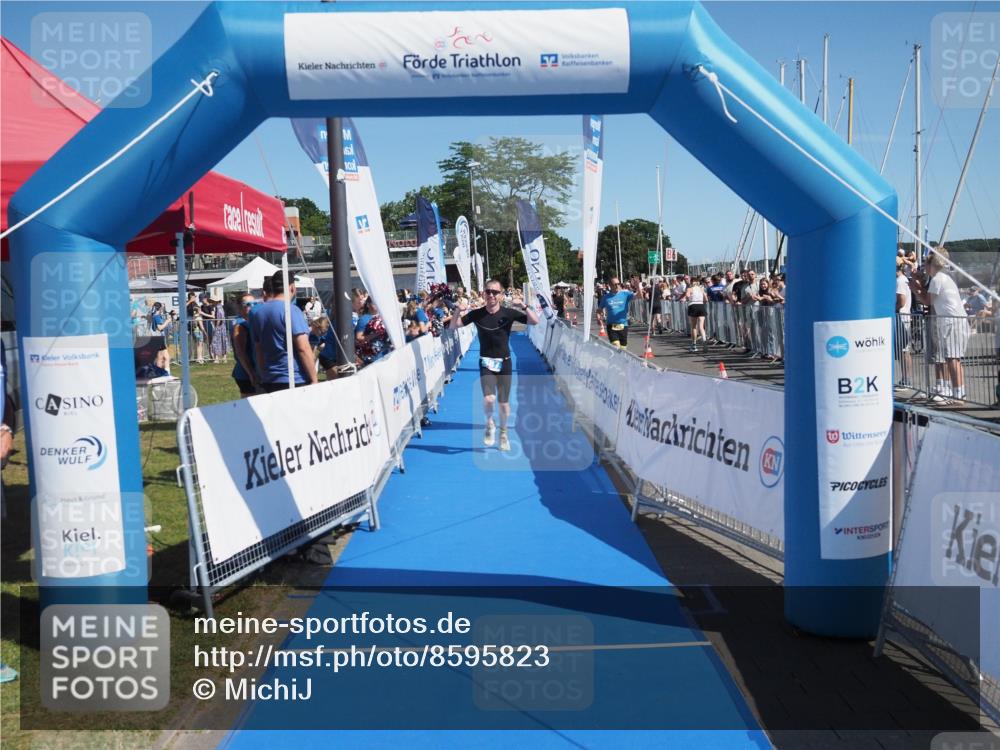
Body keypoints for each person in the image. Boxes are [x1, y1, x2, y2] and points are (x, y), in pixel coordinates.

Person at [450, 279, 538, 451]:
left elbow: (534, 321)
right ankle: (490, 423)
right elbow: (454, 325)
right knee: (489, 399)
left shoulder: (509, 313)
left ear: (501, 295)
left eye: (495, 292)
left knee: (503, 404)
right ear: (484, 293)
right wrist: (457, 311)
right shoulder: (477, 314)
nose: (491, 295)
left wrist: (524, 306)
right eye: (488, 291)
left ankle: (503, 433)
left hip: (504, 363)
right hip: (486, 362)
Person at [910, 249, 969, 402]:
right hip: (953, 321)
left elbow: (927, 301)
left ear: (931, 265)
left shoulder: (937, 279)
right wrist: (918, 286)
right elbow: (930, 297)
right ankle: (957, 393)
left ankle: (958, 396)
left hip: (953, 322)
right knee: (953, 359)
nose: (924, 268)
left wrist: (915, 289)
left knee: (953, 359)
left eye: (926, 264)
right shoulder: (942, 278)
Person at [250, 271, 318, 392]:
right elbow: (303, 348)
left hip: (270, 379)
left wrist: (263, 374)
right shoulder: (292, 310)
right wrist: (314, 379)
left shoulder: (258, 313)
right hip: (294, 378)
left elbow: (258, 349)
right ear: (292, 287)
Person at [231, 294, 259, 398]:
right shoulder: (240, 325)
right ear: (239, 307)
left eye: (255, 304)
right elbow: (240, 353)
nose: (252, 306)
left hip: (254, 370)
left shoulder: (251, 322)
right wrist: (251, 374)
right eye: (247, 304)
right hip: (245, 372)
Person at [598, 277, 635, 348]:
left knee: (623, 349)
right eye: (615, 284)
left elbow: (639, 296)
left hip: (623, 325)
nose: (617, 286)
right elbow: (599, 309)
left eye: (618, 284)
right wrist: (598, 317)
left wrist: (638, 287)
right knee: (616, 346)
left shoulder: (625, 294)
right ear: (610, 285)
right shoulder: (606, 297)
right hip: (611, 326)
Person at [895, 258, 913, 390]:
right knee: (903, 350)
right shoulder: (903, 280)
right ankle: (905, 378)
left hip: (902, 317)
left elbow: (901, 301)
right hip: (904, 317)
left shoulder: (900, 281)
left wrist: (893, 309)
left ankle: (907, 379)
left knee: (904, 350)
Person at [684, 276, 708, 351]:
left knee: (694, 327)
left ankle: (694, 345)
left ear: (691, 282)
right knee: (701, 326)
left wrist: (689, 297)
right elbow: (706, 299)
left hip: (693, 305)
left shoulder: (689, 288)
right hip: (701, 305)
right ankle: (704, 340)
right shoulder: (701, 289)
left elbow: (687, 296)